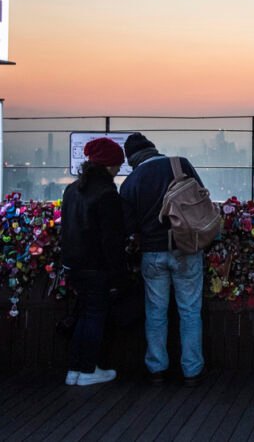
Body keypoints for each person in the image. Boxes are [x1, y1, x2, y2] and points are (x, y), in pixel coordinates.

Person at [120, 132, 206, 386]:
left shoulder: (131, 183)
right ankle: (192, 370)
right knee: (190, 311)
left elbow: (128, 225)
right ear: (153, 150)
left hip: (153, 252)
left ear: (131, 160)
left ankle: (157, 367)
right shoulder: (180, 164)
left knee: (155, 313)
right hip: (187, 248)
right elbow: (201, 200)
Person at [60, 137, 126, 386]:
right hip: (97, 266)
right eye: (118, 164)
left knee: (83, 314)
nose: (119, 169)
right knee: (95, 316)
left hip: (74, 264)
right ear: (109, 166)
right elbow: (112, 240)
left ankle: (75, 369)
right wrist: (119, 276)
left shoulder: (72, 190)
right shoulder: (107, 194)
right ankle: (88, 370)